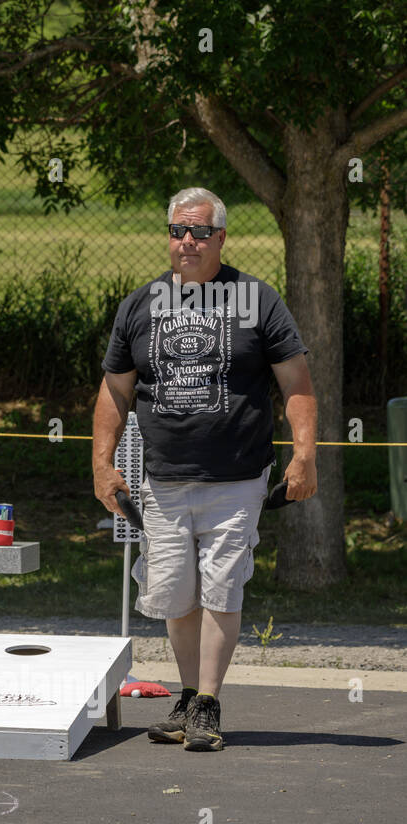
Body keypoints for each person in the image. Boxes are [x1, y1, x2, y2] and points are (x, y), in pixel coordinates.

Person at [92, 186, 317, 752]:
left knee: (221, 587)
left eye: (198, 231)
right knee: (174, 593)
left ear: (221, 237)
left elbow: (297, 384)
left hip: (236, 478)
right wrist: (102, 464)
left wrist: (305, 453)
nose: (186, 241)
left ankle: (209, 704)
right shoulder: (140, 305)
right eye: (177, 231)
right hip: (162, 479)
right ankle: (189, 698)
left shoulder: (257, 300)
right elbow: (114, 394)